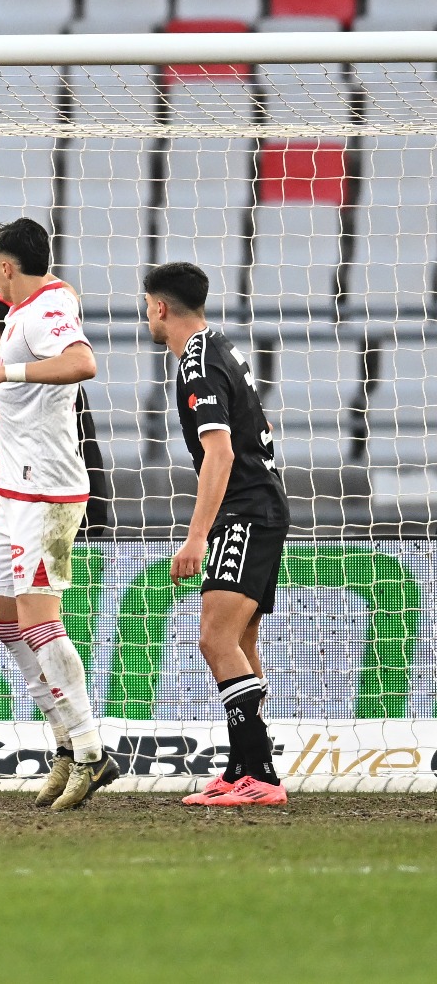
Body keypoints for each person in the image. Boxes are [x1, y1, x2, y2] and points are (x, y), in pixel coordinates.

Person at [0, 219, 115, 811]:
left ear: (8, 266)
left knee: (38, 622)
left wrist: (6, 371)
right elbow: (43, 297)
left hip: (48, 495)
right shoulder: (45, 297)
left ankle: (90, 749)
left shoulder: (46, 313)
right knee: (7, 625)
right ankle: (63, 742)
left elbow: (82, 364)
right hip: (16, 493)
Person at [144, 262, 289, 807]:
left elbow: (221, 451)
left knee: (215, 639)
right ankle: (242, 768)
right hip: (260, 507)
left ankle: (263, 778)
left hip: (244, 512)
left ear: (159, 307)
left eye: (147, 307)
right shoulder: (220, 345)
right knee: (241, 641)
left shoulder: (196, 364)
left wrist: (197, 535)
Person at [0, 296, 112, 541]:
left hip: (55, 534)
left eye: (4, 332)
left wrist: (91, 531)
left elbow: (89, 461)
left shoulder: (63, 388)